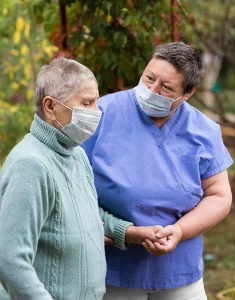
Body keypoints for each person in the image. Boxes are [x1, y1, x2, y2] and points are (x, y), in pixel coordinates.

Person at [0, 57, 163, 300]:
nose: (96, 112)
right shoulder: (30, 165)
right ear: (50, 106)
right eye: (86, 103)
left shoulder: (75, 154)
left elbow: (85, 214)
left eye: (96, 102)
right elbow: (9, 260)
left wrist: (128, 233)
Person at [81, 42, 233, 300]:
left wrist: (180, 231)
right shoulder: (103, 113)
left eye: (166, 87)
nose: (151, 90)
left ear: (188, 93)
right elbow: (72, 185)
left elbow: (219, 195)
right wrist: (123, 232)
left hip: (178, 270)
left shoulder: (203, 131)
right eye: (149, 78)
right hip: (112, 268)